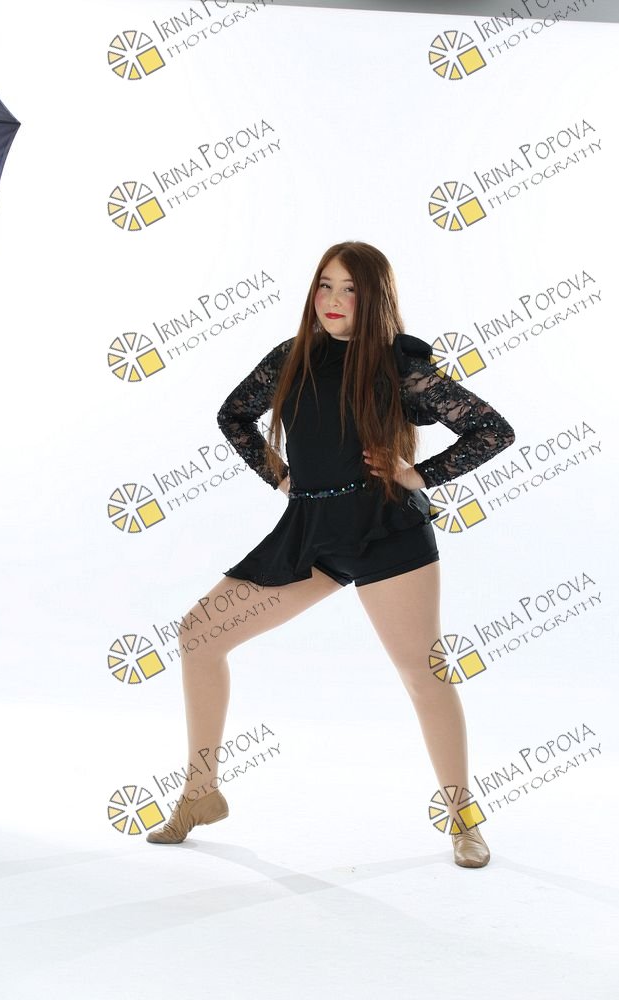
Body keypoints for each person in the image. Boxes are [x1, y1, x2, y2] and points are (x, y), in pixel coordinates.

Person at [147, 241, 516, 868]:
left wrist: (418, 475)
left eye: (350, 289)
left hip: (384, 529)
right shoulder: (290, 358)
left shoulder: (399, 366)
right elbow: (234, 415)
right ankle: (200, 793)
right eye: (325, 285)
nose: (335, 300)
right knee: (199, 635)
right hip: (310, 531)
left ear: (374, 298)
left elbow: (493, 430)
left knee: (422, 673)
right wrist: (280, 475)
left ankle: (462, 818)